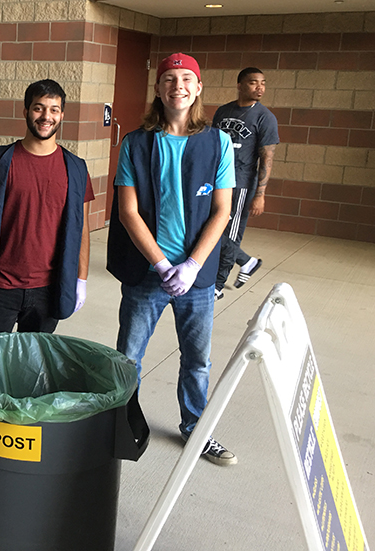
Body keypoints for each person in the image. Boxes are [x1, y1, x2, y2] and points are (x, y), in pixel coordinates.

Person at [106, 53, 236, 466]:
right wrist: (163, 265)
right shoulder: (136, 143)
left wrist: (192, 265)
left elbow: (222, 211)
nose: (177, 85)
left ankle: (196, 428)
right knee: (128, 356)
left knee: (197, 360)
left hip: (195, 280)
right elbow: (128, 212)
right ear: (158, 89)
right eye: (168, 79)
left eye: (186, 79)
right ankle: (122, 426)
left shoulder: (217, 143)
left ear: (198, 88)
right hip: (148, 273)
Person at [0, 79, 94, 333]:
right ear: (25, 112)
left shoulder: (75, 169)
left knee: (32, 367)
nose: (46, 116)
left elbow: (82, 229)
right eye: (38, 108)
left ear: (62, 115)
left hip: (48, 289)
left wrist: (81, 278)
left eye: (54, 109)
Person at [212, 67, 278, 298]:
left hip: (241, 183)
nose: (260, 88)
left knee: (230, 234)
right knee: (209, 228)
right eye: (253, 83)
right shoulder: (223, 111)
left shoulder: (265, 117)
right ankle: (247, 261)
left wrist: (260, 194)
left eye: (263, 83)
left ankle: (217, 286)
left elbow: (267, 158)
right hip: (217, 180)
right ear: (240, 85)